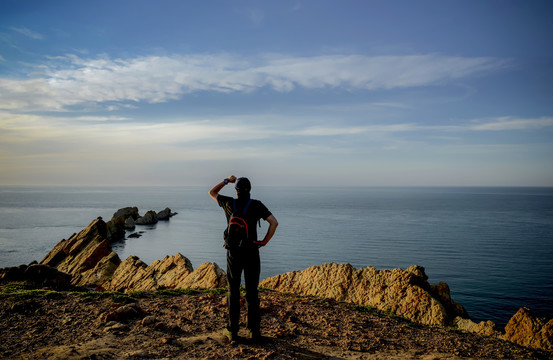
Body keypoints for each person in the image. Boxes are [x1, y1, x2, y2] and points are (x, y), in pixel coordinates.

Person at [208, 175, 278, 343]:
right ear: (250, 190)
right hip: (252, 251)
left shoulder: (228, 203)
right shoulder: (256, 205)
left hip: (233, 253)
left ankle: (232, 331)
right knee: (252, 292)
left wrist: (226, 180)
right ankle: (254, 331)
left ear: (236, 190)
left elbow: (212, 192)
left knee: (233, 290)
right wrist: (264, 241)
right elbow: (274, 223)